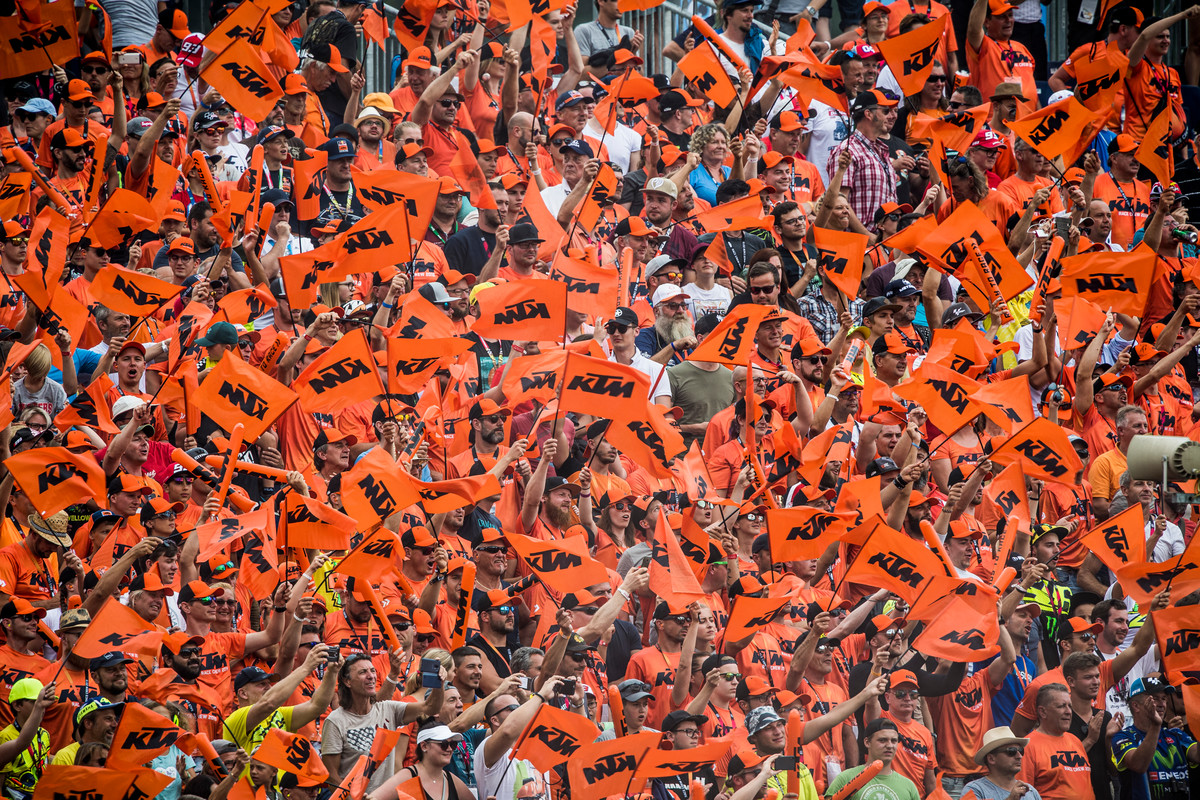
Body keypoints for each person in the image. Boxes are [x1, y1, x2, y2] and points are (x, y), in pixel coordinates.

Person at [1111, 677, 1199, 800]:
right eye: (1154, 699)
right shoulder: (1123, 736)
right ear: (1136, 706)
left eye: (1164, 699)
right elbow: (1139, 765)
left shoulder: (1176, 734)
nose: (1162, 704)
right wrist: (1155, 725)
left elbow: (1197, 755)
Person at [825, 719, 920, 799]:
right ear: (867, 742)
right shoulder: (846, 778)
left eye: (894, 741)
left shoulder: (908, 786)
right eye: (882, 740)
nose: (889, 745)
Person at [963, 727, 1042, 800]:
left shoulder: (1030, 791)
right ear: (991, 758)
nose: (1019, 756)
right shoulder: (975, 789)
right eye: (1011, 751)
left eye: (1021, 751)